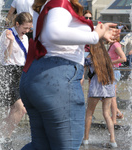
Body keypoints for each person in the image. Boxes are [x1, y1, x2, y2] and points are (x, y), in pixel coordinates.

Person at [19, 0, 120, 149]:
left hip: (36, 75)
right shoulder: (60, 2)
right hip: (58, 77)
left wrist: (98, 34)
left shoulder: (44, 4)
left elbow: (50, 35)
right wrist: (94, 36)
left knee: (40, 147)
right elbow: (55, 33)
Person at [0, 12, 32, 149]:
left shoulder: (25, 37)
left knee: (15, 110)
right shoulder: (7, 34)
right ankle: (4, 137)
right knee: (20, 108)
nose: (27, 31)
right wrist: (11, 41)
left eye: (29, 29)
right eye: (25, 28)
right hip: (9, 73)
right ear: (17, 24)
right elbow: (5, 58)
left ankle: (2, 137)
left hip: (21, 73)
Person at [83, 40, 118, 148]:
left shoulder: (89, 58)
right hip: (108, 86)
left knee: (89, 113)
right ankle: (113, 140)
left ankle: (86, 139)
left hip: (96, 87)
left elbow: (83, 71)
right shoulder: (107, 57)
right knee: (107, 114)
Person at [108, 37, 126, 125]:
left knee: (112, 97)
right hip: (111, 72)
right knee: (109, 96)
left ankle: (114, 119)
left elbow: (123, 58)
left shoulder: (115, 44)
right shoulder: (111, 45)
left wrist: (110, 63)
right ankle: (118, 114)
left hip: (113, 72)